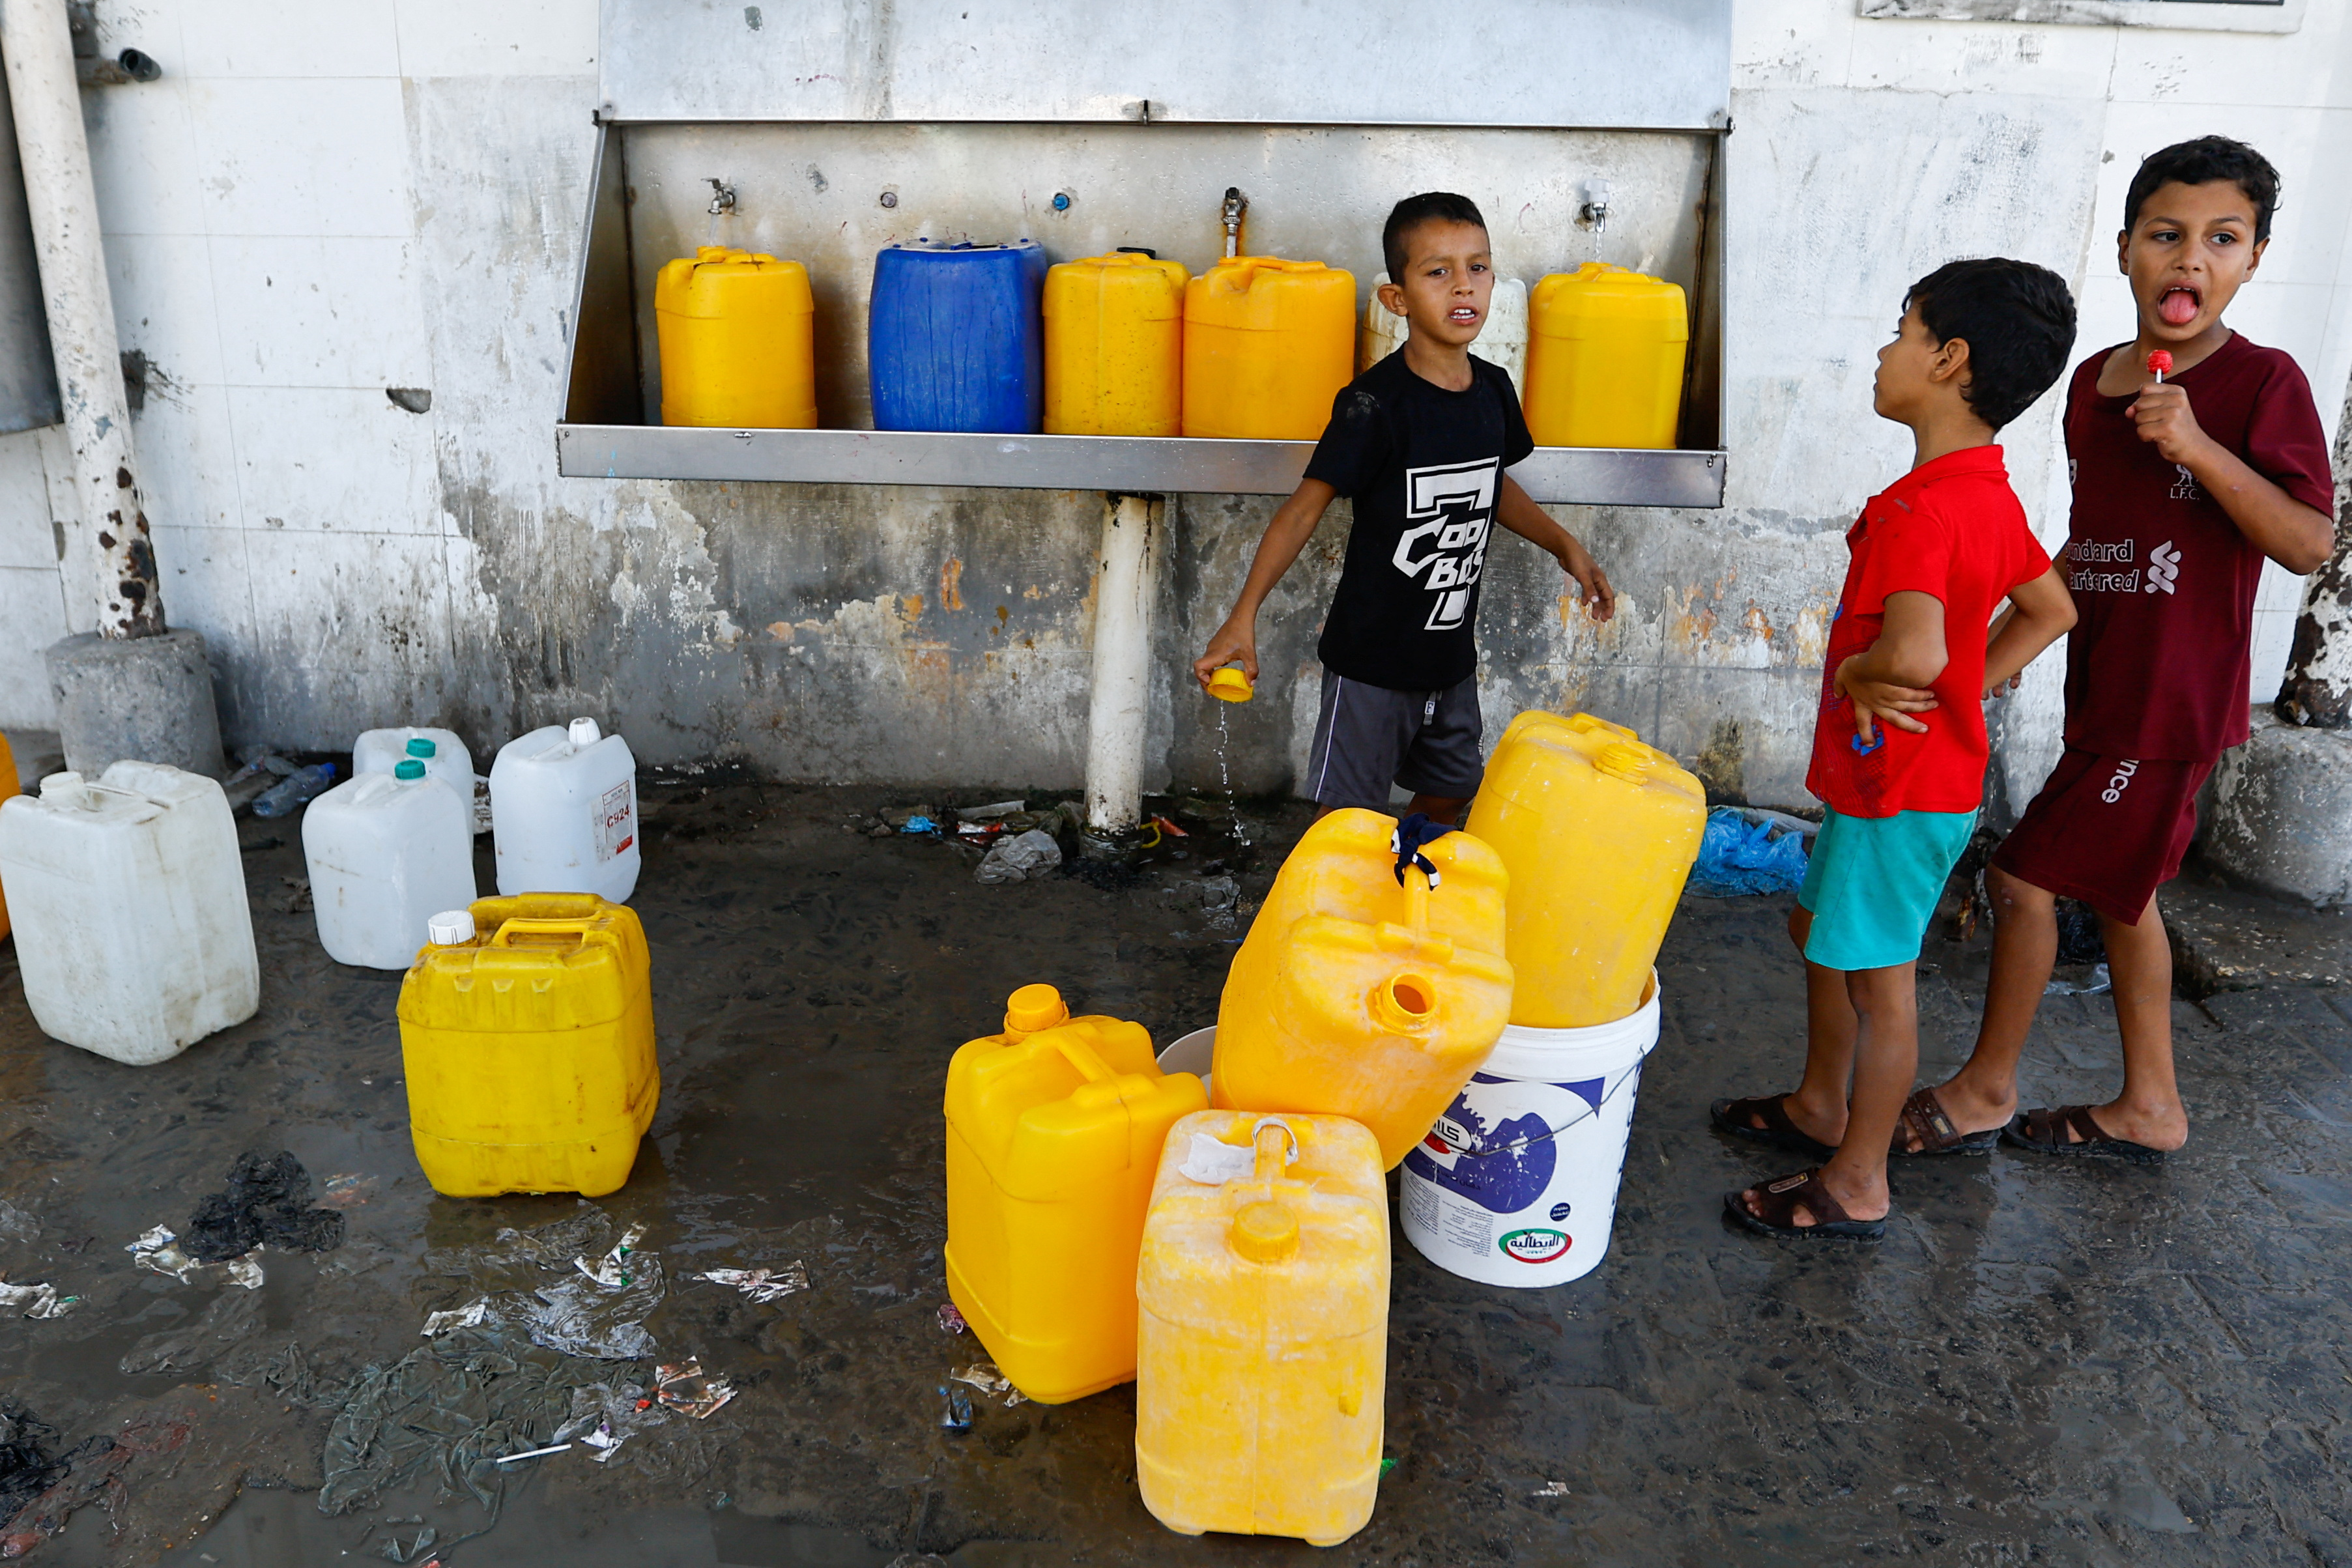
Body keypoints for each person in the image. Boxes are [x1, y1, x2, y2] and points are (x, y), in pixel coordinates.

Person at [1910, 138, 2337, 1163]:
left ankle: (1982, 1088)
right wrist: (1992, 648)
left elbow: (2307, 541)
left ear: (2253, 257)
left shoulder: (2259, 384)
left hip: (2170, 704)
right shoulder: (2090, 388)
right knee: (2124, 891)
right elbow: (2091, 549)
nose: (2188, 258)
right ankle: (2150, 1105)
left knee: (2022, 880)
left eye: (2219, 239)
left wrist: (2196, 446)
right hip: (2102, 689)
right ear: (2124, 250)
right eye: (2165, 235)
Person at [1718, 257, 2080, 1239]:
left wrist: (1862, 675)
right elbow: (2050, 609)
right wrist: (1972, 673)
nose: (1883, 350)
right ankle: (1816, 1106)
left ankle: (1858, 1177)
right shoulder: (1981, 491)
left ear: (1948, 358)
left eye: (1901, 328)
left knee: (1881, 985)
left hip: (1897, 790)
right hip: (1908, 784)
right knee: (1817, 936)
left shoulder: (1918, 510)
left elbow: (1912, 650)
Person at [1191, 192, 1614, 822]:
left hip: (1448, 658)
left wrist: (1565, 546)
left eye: (1478, 267)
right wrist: (1242, 615)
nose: (1462, 285)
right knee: (1345, 821)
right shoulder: (1373, 405)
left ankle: (1401, 888)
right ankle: (1334, 912)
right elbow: (1303, 511)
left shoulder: (1493, 390)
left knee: (1453, 786)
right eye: (1437, 272)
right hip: (1370, 663)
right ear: (1397, 299)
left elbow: (1489, 483)